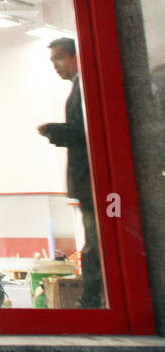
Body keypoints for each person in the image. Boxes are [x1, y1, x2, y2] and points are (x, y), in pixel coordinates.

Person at [37, 37, 101, 308]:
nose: (56, 66)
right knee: (94, 240)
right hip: (89, 180)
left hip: (91, 180)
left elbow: (88, 133)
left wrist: (53, 130)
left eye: (59, 58)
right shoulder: (80, 87)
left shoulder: (85, 88)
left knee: (95, 241)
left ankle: (91, 299)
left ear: (76, 56)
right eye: (52, 61)